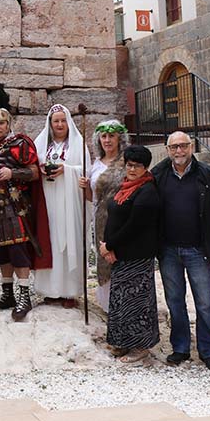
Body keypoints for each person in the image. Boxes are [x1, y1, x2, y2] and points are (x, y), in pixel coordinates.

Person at [150, 131, 210, 372]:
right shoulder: (158, 174)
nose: (179, 151)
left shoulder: (208, 174)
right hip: (168, 250)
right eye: (174, 147)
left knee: (204, 302)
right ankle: (180, 347)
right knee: (174, 301)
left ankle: (208, 350)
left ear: (191, 147)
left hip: (198, 250)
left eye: (183, 146)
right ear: (167, 149)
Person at [0, 85, 50, 321]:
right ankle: (7, 293)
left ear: (9, 124)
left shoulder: (21, 144)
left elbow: (35, 172)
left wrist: (13, 173)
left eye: (1, 123)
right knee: (1, 253)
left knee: (18, 251)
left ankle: (24, 297)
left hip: (14, 206)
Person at [101, 144, 160, 364]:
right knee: (121, 300)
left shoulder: (147, 191)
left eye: (137, 166)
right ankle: (123, 341)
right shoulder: (126, 186)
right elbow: (114, 214)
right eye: (129, 165)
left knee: (137, 302)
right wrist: (109, 246)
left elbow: (134, 226)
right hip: (121, 254)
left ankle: (140, 346)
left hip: (137, 254)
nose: (132, 169)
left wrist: (110, 245)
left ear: (146, 168)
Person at [34, 104, 90, 308]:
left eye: (63, 120)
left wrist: (66, 170)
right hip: (48, 201)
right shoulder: (41, 144)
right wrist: (40, 169)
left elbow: (86, 170)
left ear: (68, 122)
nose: (59, 124)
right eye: (55, 121)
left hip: (69, 202)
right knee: (49, 240)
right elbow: (32, 167)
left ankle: (69, 291)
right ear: (50, 123)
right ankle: (51, 290)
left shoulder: (78, 143)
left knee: (69, 241)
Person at [79, 120, 129, 313]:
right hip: (100, 220)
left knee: (121, 259)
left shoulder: (127, 162)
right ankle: (109, 306)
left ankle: (124, 305)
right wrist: (85, 188)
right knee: (104, 259)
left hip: (122, 220)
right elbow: (94, 198)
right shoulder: (95, 165)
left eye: (111, 136)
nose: (107, 140)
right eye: (103, 136)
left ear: (119, 138)